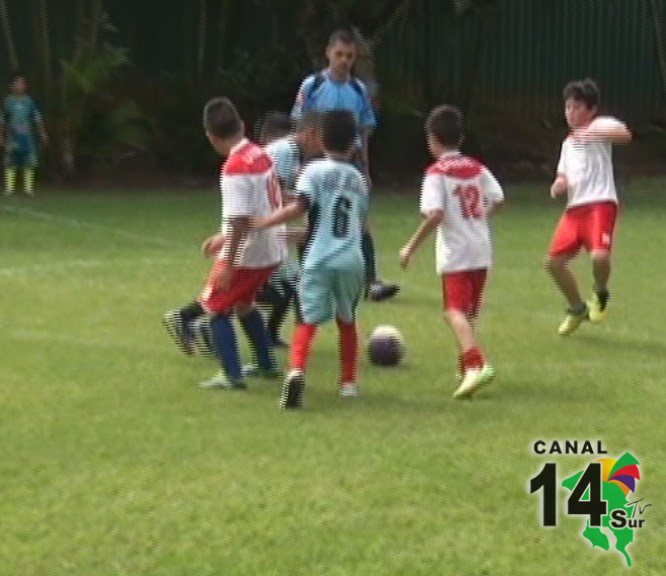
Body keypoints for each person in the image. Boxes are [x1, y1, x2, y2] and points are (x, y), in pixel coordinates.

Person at [165, 97, 286, 389]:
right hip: (273, 247)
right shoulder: (260, 154)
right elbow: (260, 205)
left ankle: (232, 375)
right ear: (242, 126)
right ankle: (266, 363)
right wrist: (224, 237)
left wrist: (228, 263)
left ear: (210, 136)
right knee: (244, 304)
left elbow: (239, 220)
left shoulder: (234, 168)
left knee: (215, 308)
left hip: (248, 252)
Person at [252, 110, 368, 409]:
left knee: (306, 319)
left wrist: (265, 222)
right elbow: (354, 223)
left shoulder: (313, 172)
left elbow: (301, 207)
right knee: (347, 318)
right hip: (351, 259)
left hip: (318, 257)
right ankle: (348, 383)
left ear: (323, 139)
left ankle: (296, 371)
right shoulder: (358, 179)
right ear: (354, 144)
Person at [399, 105, 504, 399]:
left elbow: (434, 214)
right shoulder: (476, 167)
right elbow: (499, 198)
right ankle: (466, 370)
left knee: (453, 312)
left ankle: (475, 364)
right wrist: (478, 216)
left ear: (432, 139)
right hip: (481, 248)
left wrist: (411, 246)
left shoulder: (435, 173)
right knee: (468, 313)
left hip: (456, 253)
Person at [291, 28, 399, 303]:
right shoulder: (312, 86)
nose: (343, 60)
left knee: (360, 219)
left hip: (350, 160)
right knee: (313, 218)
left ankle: (371, 280)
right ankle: (307, 276)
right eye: (339, 54)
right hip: (316, 159)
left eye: (349, 56)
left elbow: (364, 130)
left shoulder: (358, 90)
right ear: (328, 53)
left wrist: (365, 167)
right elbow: (300, 125)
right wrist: (301, 162)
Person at [546, 79, 632, 336]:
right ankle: (576, 308)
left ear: (591, 109)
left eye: (576, 107)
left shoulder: (599, 126)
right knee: (554, 263)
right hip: (574, 210)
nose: (570, 113)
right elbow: (563, 174)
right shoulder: (568, 144)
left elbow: (624, 135)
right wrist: (559, 184)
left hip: (600, 204)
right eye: (567, 107)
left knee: (599, 256)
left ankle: (600, 292)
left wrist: (594, 133)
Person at [0, 72, 49, 196]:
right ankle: (9, 188)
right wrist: (1, 135)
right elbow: (3, 119)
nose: (21, 86)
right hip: (12, 137)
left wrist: (43, 133)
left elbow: (37, 118)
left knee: (29, 162)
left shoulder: (29, 101)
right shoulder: (8, 102)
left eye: (23, 83)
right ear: (11, 86)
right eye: (18, 83)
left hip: (27, 138)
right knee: (11, 162)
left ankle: (28, 189)